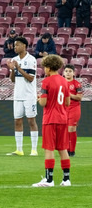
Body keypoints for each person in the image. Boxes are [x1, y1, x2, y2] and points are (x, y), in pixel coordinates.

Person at [33, 54, 72, 187]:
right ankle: (66, 179)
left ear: (49, 68)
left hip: (50, 119)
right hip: (62, 118)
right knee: (63, 149)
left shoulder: (46, 81)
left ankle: (49, 180)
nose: (44, 69)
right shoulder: (64, 81)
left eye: (44, 67)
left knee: (49, 149)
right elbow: (67, 102)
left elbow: (43, 102)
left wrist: (39, 99)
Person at [7, 36, 39, 156]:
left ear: (24, 46)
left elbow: (31, 78)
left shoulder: (31, 59)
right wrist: (12, 70)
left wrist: (18, 68)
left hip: (29, 95)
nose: (15, 47)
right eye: (14, 45)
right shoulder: (14, 59)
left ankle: (34, 149)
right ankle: (19, 149)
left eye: (17, 45)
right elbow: (13, 80)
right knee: (17, 121)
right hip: (18, 95)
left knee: (31, 120)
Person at [64, 65, 82, 156]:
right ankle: (67, 150)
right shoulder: (61, 83)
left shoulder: (77, 84)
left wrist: (69, 95)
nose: (68, 73)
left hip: (74, 108)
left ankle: (72, 150)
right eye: (66, 71)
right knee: (65, 129)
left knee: (72, 128)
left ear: (73, 73)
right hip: (63, 109)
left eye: (70, 71)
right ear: (63, 72)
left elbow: (79, 97)